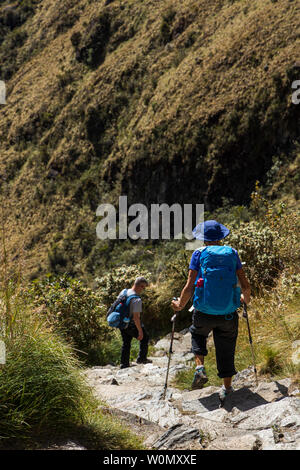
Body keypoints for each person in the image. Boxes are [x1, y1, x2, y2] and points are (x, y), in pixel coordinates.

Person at [171, 220, 251, 402]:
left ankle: (200, 368)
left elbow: (189, 286)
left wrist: (179, 305)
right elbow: (245, 285)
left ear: (203, 238)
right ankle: (227, 388)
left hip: (203, 311)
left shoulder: (198, 254)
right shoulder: (232, 253)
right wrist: (244, 301)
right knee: (226, 346)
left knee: (198, 335)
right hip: (228, 312)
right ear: (221, 236)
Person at [119, 277, 152, 369]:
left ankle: (124, 364)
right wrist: (140, 331)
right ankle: (142, 358)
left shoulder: (124, 291)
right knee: (145, 337)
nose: (143, 290)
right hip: (130, 323)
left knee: (126, 342)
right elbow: (136, 317)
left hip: (121, 322)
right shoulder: (136, 299)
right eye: (143, 287)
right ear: (140, 286)